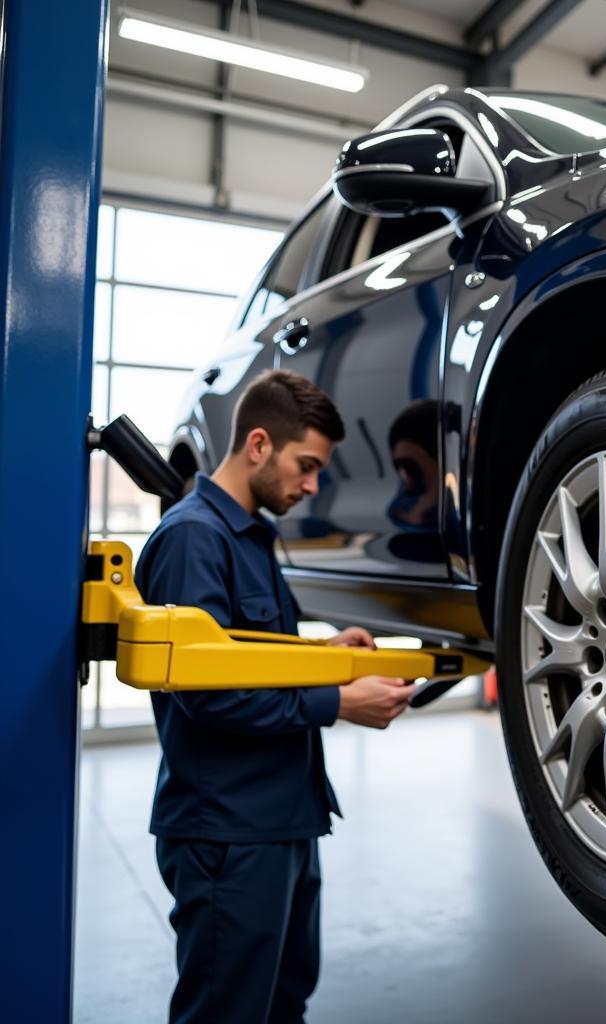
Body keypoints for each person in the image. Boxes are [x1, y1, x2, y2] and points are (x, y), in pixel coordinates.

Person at [135, 369, 411, 1024]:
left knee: (284, 1006)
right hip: (228, 833)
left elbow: (256, 661)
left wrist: (326, 655)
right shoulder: (193, 539)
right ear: (258, 444)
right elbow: (207, 694)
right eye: (307, 465)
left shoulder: (253, 536)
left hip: (282, 819)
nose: (313, 485)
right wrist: (339, 704)